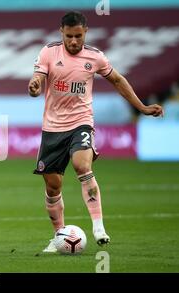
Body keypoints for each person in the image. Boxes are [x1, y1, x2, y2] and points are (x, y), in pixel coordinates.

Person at [28, 11, 164, 253]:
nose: (73, 41)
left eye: (78, 36)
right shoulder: (49, 52)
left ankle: (98, 227)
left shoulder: (95, 57)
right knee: (52, 186)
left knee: (82, 165)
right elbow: (38, 78)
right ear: (61, 32)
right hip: (52, 127)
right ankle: (58, 235)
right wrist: (35, 85)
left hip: (81, 122)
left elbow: (118, 81)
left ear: (85, 32)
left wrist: (141, 107)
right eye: (69, 36)